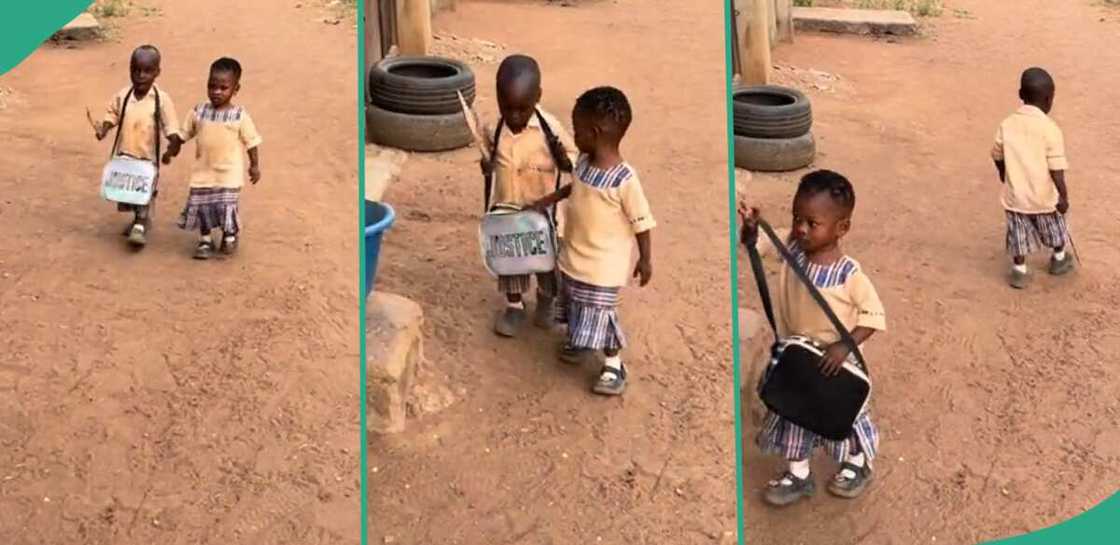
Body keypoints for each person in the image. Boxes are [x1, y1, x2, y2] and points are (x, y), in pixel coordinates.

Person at [738, 170, 886, 506]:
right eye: (796, 218)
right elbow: (758, 246)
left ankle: (856, 463)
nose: (801, 228)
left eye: (812, 222)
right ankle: (798, 474)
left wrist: (843, 345)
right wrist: (750, 229)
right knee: (794, 413)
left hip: (836, 364)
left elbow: (874, 316)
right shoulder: (792, 248)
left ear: (841, 228)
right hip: (799, 359)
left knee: (843, 417)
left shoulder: (850, 274)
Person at [529, 86, 655, 396]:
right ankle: (580, 340)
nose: (574, 136)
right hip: (574, 255)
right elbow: (575, 189)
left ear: (595, 132)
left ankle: (613, 365)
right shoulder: (584, 164)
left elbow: (642, 222)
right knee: (574, 300)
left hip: (603, 266)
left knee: (600, 312)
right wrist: (547, 199)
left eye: (577, 130)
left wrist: (646, 258)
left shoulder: (624, 180)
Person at [481, 54, 577, 337]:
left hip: (544, 214)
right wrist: (487, 167)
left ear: (538, 97)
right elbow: (489, 155)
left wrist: (563, 160)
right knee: (510, 265)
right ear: (498, 99)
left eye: (522, 110)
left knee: (547, 262)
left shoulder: (550, 129)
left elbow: (574, 162)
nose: (514, 117)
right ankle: (514, 306)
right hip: (509, 211)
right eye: (507, 108)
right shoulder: (495, 129)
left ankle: (546, 302)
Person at [163, 57, 262, 259]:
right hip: (203, 172)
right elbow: (183, 135)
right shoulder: (199, 112)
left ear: (236, 88)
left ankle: (229, 235)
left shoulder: (239, 115)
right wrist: (170, 151)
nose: (216, 92)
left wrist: (254, 166)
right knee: (203, 205)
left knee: (226, 205)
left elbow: (251, 142)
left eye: (223, 88)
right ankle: (205, 239)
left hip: (228, 174)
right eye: (212, 86)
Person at [992, 67, 1073, 289]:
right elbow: (1056, 168)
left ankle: (1019, 270)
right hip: (1044, 197)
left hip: (1016, 195)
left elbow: (996, 153)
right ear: (1049, 99)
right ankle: (1058, 259)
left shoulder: (1007, 124)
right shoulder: (1050, 129)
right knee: (1054, 229)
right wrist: (1063, 197)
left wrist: (1002, 172)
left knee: (1017, 234)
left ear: (1021, 94)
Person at [94, 44, 182, 246]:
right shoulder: (124, 95)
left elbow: (171, 126)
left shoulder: (161, 100)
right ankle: (138, 220)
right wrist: (104, 128)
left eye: (147, 71)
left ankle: (141, 223)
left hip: (146, 157)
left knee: (144, 191)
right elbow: (112, 114)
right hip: (125, 153)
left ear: (157, 72)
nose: (140, 75)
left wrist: (173, 145)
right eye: (135, 70)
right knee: (128, 192)